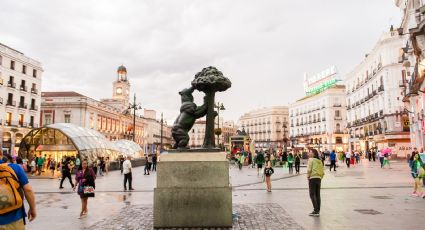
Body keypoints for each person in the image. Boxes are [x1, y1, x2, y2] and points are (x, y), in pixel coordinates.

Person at [0, 151, 37, 228]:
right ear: (1, 154)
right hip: (14, 218)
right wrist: (32, 208)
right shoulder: (15, 167)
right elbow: (28, 190)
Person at [307, 149, 324, 217]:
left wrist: (308, 176)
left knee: (312, 194)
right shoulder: (320, 161)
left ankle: (315, 210)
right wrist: (320, 177)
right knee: (317, 195)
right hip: (318, 178)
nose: (309, 153)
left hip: (313, 178)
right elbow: (322, 171)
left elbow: (309, 169)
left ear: (314, 153)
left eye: (310, 152)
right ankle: (317, 210)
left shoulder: (311, 160)